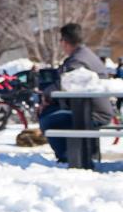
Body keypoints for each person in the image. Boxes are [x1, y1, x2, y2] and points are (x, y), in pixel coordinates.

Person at [38, 23, 114, 163]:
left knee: (47, 119)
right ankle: (80, 154)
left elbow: (65, 85)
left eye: (61, 41)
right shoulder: (85, 54)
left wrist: (46, 95)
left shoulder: (77, 61)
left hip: (92, 113)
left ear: (65, 42)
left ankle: (69, 157)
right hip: (93, 109)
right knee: (54, 114)